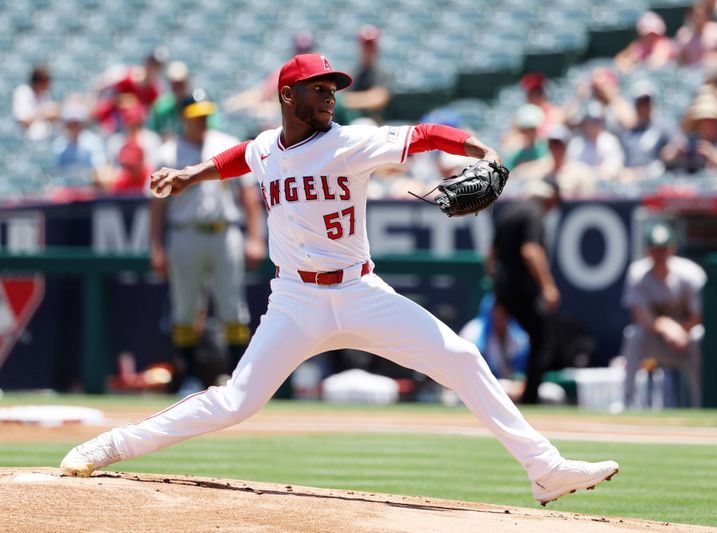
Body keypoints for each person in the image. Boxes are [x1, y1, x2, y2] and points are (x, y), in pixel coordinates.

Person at [61, 53, 618, 506]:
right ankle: (108, 447)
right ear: (289, 98)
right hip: (294, 300)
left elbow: (424, 134)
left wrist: (484, 150)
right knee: (236, 403)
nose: (330, 95)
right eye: (319, 88)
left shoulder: (349, 142)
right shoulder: (266, 147)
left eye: (332, 87)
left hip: (359, 292)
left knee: (461, 358)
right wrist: (189, 174)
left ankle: (544, 470)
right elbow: (240, 157)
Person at [148, 90, 265, 395]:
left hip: (225, 230)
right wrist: (156, 247)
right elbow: (157, 206)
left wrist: (255, 237)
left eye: (204, 115)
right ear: (183, 118)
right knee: (185, 309)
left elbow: (249, 198)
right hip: (185, 231)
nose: (201, 121)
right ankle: (189, 377)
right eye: (195, 116)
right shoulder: (168, 152)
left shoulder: (225, 145)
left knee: (233, 308)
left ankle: (237, 379)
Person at [488, 175, 561, 405]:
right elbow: (530, 250)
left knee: (498, 339)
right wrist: (548, 286)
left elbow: (490, 256)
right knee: (542, 340)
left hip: (504, 288)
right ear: (549, 198)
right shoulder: (534, 213)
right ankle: (530, 397)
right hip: (522, 290)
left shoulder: (509, 211)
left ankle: (493, 392)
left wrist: (498, 287)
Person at [620, 223, 706, 408]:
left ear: (672, 249)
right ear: (647, 251)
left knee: (700, 336)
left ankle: (701, 404)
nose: (659, 254)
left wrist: (679, 331)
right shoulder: (638, 273)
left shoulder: (690, 274)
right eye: (655, 249)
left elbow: (699, 317)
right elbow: (640, 316)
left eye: (663, 249)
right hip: (657, 340)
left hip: (686, 340)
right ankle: (627, 402)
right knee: (634, 334)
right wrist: (666, 326)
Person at [459, 294, 530, 403]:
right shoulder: (473, 333)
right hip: (476, 389)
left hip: (508, 389)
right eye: (496, 310)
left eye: (504, 311)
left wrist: (520, 385)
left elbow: (520, 375)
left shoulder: (518, 336)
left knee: (551, 393)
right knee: (451, 399)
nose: (500, 315)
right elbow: (462, 373)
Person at [619, 81, 677, 181]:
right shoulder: (628, 133)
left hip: (656, 177)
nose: (644, 107)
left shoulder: (664, 126)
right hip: (631, 178)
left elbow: (677, 146)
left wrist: (671, 153)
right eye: (641, 103)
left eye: (647, 103)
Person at [675, 3, 717, 67]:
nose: (699, 19)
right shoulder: (684, 35)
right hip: (692, 73)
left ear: (707, 16)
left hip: (715, 72)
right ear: (690, 17)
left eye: (702, 15)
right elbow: (681, 61)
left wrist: (712, 57)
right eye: (697, 15)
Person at [12, 65, 59, 141]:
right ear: (39, 82)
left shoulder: (45, 95)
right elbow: (23, 121)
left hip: (44, 136)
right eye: (47, 82)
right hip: (25, 137)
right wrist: (44, 114)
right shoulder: (23, 92)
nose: (49, 86)